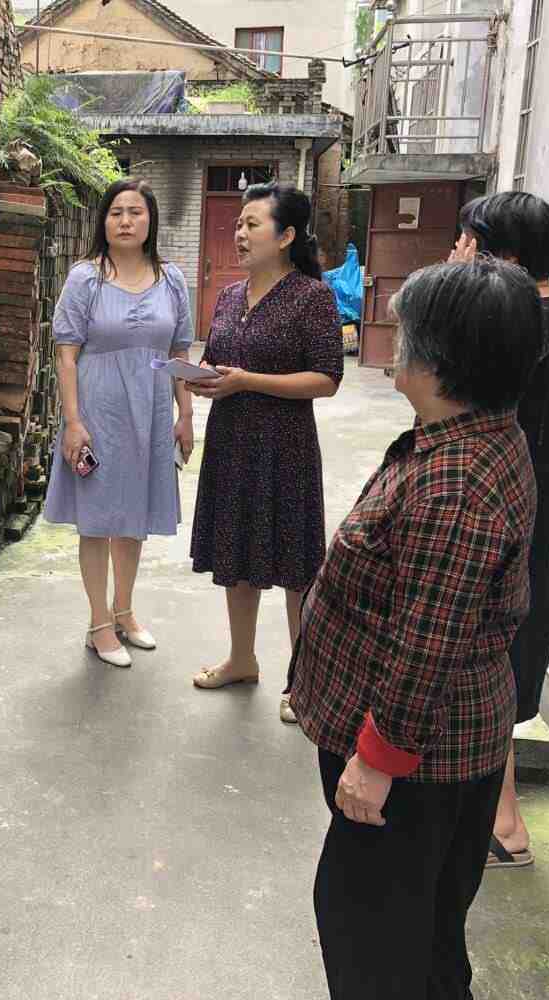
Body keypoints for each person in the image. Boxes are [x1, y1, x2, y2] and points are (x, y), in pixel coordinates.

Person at [290, 257, 543, 999]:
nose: (395, 338)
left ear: (442, 356)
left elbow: (427, 642)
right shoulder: (467, 434)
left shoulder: (456, 483)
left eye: (409, 329)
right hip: (439, 750)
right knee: (424, 938)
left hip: (416, 763)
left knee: (371, 938)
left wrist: (378, 760)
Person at [450, 192, 549, 870]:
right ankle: (499, 816)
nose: (459, 251)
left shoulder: (527, 318)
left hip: (503, 514)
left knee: (490, 655)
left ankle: (502, 822)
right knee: (499, 653)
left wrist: (455, 291)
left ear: (500, 254)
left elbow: (454, 393)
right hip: (530, 508)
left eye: (469, 242)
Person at [186, 183, 342, 718]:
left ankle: (304, 681)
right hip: (231, 443)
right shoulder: (230, 296)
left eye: (252, 224)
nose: (240, 233)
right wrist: (202, 378)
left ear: (286, 236)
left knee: (296, 565)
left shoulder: (312, 297)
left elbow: (327, 378)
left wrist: (248, 381)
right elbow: (216, 359)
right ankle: (242, 659)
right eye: (239, 224)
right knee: (237, 554)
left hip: (285, 448)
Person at [43, 178, 194, 668]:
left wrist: (186, 414)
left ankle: (124, 611)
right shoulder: (85, 278)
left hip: (151, 412)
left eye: (135, 212)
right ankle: (98, 624)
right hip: (98, 411)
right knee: (97, 519)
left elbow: (179, 351)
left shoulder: (172, 279)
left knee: (133, 518)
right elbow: (66, 355)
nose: (125, 221)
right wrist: (73, 421)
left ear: (151, 220)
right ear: (103, 222)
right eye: (115, 213)